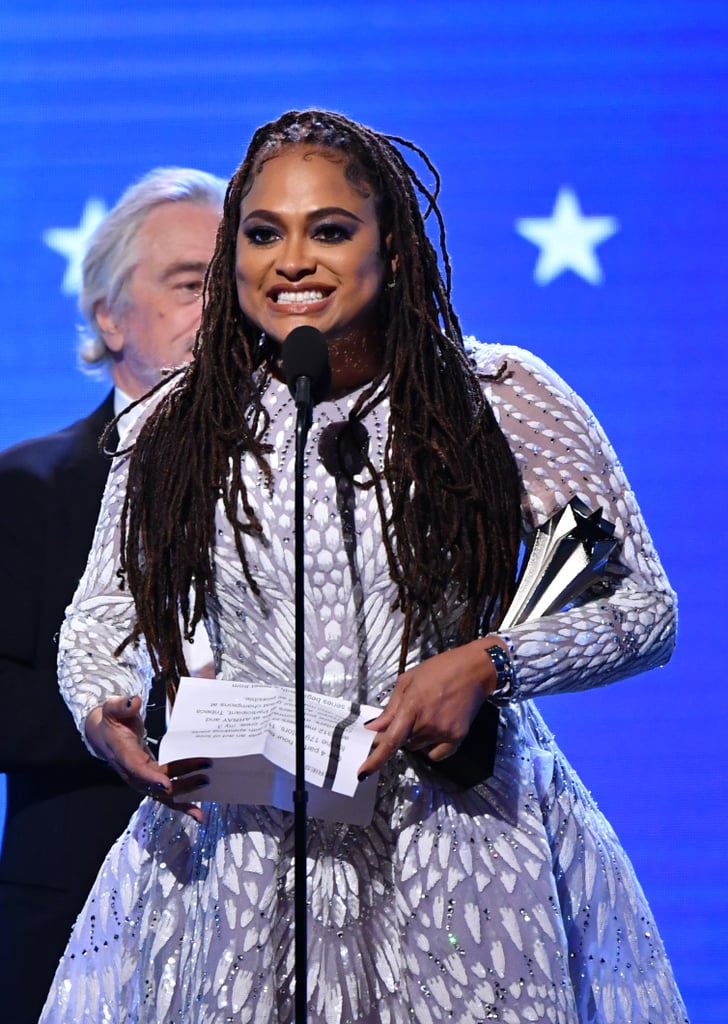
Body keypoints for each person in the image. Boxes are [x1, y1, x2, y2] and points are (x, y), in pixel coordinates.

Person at [40, 111, 688, 1023]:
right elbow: (99, 620)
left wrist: (488, 664)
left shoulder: (497, 397)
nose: (292, 261)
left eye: (330, 230)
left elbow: (645, 609)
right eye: (264, 234)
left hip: (458, 844)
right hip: (249, 855)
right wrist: (105, 711)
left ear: (393, 247)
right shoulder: (173, 427)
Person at [0, 166, 226, 1024]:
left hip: (266, 920)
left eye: (230, 285)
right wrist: (147, 717)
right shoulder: (29, 485)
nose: (221, 311)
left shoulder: (306, 482)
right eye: (188, 284)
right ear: (108, 313)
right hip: (79, 919)